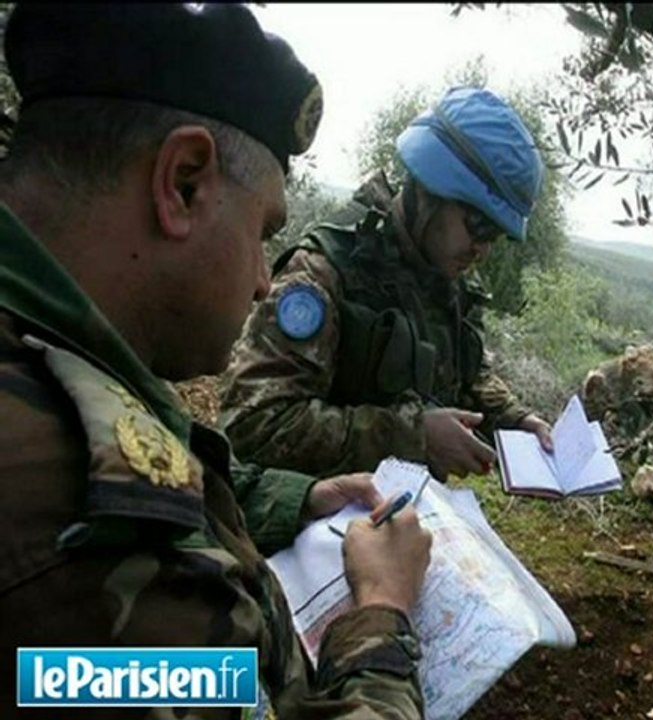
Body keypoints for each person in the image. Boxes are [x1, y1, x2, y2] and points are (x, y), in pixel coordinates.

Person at [0, 4, 431, 718]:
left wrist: (290, 500)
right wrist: (382, 612)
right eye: (263, 230)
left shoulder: (46, 364)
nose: (266, 279)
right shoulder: (87, 535)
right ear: (185, 182)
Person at [219, 86, 554, 486]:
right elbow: (252, 425)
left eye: (495, 235)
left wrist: (516, 420)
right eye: (478, 225)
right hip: (300, 527)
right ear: (430, 190)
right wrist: (414, 436)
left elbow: (466, 371)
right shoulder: (324, 273)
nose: (482, 248)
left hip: (398, 521)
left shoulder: (446, 279)